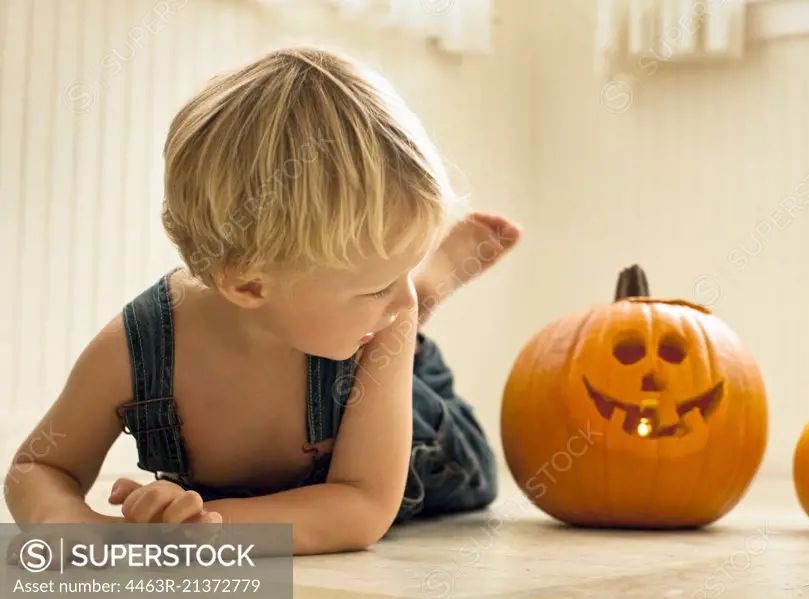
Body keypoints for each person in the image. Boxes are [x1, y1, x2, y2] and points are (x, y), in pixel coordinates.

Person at [3, 46, 520, 555]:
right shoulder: (140, 347)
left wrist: (206, 525)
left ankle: (425, 283)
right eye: (378, 285)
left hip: (399, 405)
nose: (401, 302)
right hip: (344, 334)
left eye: (400, 279)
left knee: (473, 470)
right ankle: (412, 273)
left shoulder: (391, 318)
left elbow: (361, 505)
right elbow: (39, 467)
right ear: (249, 286)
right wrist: (69, 523)